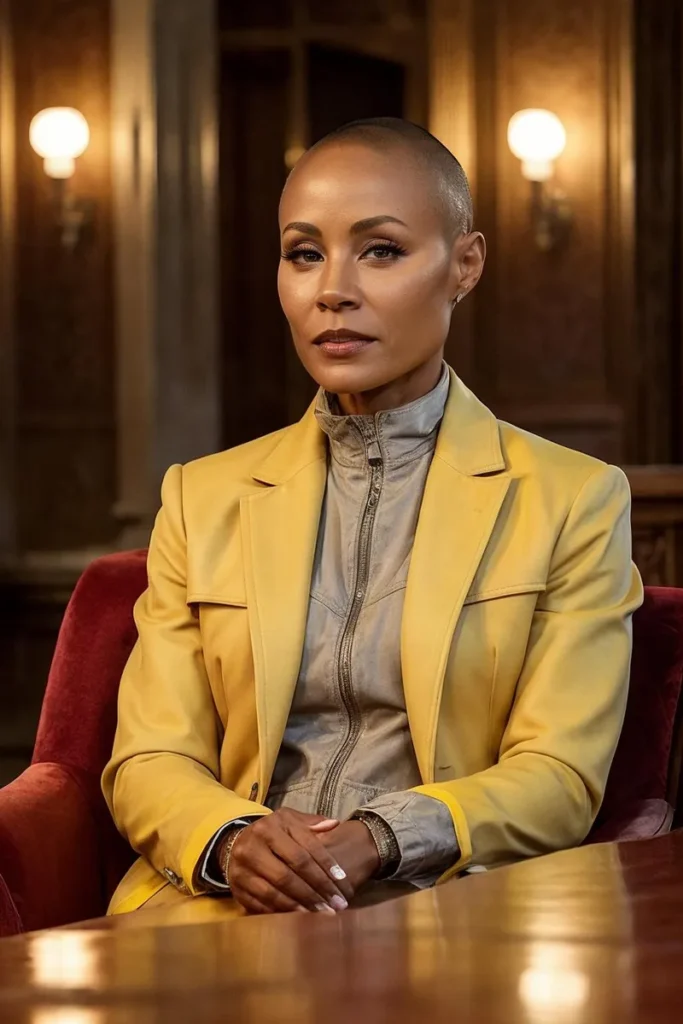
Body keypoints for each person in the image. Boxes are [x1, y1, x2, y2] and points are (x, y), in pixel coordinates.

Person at [102, 117, 643, 918]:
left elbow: (560, 774)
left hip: (442, 913)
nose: (332, 289)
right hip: (214, 908)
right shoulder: (202, 496)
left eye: (380, 250)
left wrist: (379, 835)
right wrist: (234, 839)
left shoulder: (572, 499)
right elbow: (149, 755)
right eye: (303, 253)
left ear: (464, 265)